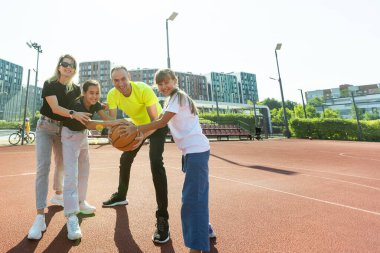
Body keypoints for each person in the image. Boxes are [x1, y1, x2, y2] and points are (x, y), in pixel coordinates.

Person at [119, 69, 215, 253]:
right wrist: (141, 137)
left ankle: (196, 247)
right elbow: (158, 123)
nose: (164, 86)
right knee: (197, 195)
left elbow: (161, 123)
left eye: (167, 82)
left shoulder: (178, 97)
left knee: (191, 200)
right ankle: (205, 228)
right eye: (160, 84)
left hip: (196, 152)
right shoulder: (171, 100)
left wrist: (136, 129)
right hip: (192, 152)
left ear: (174, 80)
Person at [103, 66, 170, 244]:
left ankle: (162, 218)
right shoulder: (112, 94)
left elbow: (156, 122)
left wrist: (141, 136)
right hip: (136, 126)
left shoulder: (143, 89)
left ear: (129, 77)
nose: (120, 83)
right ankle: (121, 195)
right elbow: (113, 121)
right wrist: (112, 135)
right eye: (116, 80)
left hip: (156, 126)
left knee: (155, 162)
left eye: (123, 79)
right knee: (125, 159)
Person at [27, 54, 91, 240]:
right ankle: (40, 215)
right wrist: (74, 113)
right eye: (65, 64)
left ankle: (58, 194)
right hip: (45, 127)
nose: (68, 67)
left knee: (63, 165)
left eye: (72, 65)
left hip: (63, 129)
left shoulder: (77, 89)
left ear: (74, 69)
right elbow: (55, 108)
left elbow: (84, 106)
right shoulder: (50, 83)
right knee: (43, 167)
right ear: (59, 66)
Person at [61, 79, 122, 240]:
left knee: (84, 172)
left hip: (81, 136)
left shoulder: (94, 104)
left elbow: (106, 119)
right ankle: (71, 215)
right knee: (70, 175)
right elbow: (90, 124)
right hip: (69, 136)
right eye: (91, 93)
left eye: (97, 93)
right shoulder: (77, 105)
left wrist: (114, 115)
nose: (94, 96)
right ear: (84, 93)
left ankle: (80, 202)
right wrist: (116, 122)